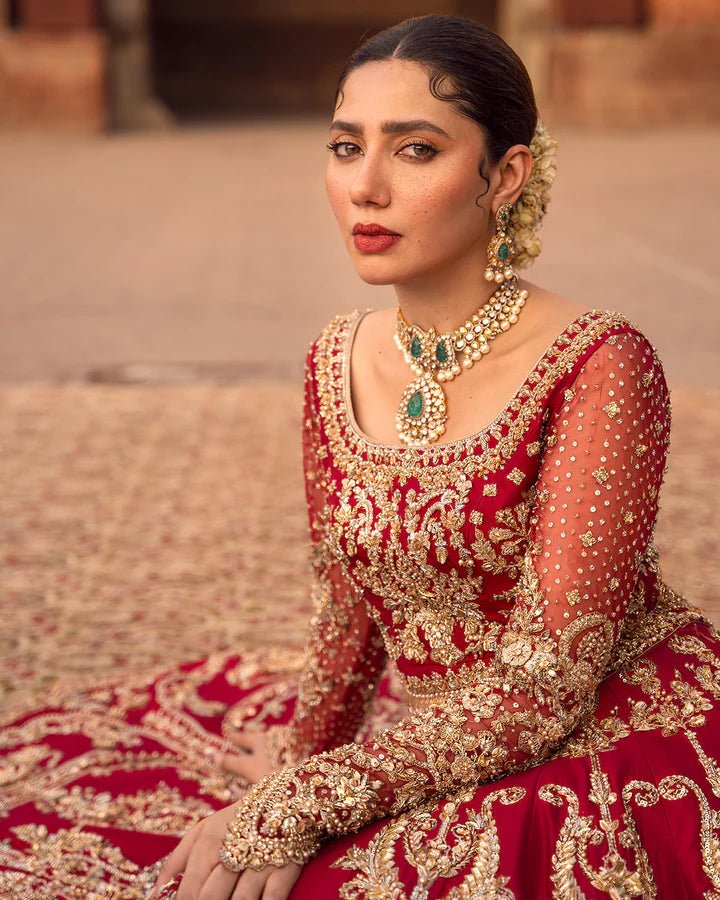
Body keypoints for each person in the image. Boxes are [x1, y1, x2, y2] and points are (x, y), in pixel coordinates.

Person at [2, 14, 719, 899]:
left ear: (506, 175)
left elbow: (546, 685)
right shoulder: (335, 359)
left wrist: (304, 802)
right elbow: (348, 619)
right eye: (347, 147)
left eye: (416, 151)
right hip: (429, 739)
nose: (366, 188)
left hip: (592, 736)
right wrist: (292, 772)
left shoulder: (601, 365)